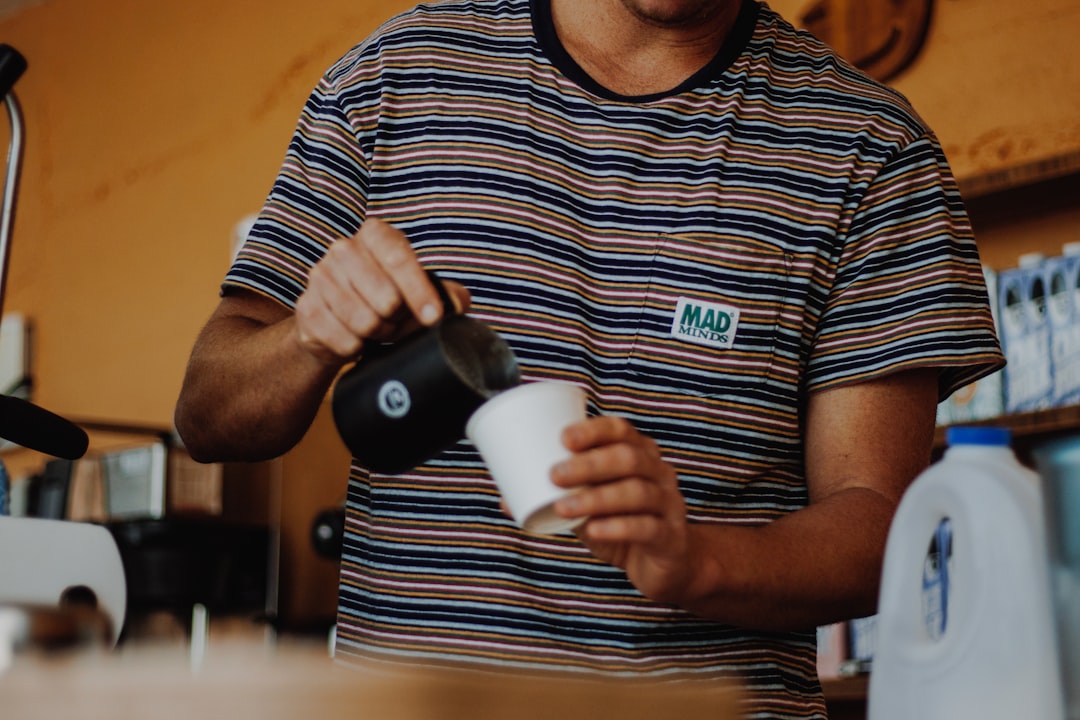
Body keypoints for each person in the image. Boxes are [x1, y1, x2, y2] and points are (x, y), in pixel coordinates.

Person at [174, 0, 1004, 717]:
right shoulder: (392, 80)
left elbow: (879, 523)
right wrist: (312, 334)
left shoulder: (870, 148)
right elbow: (208, 413)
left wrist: (700, 561)